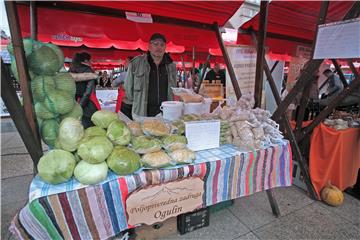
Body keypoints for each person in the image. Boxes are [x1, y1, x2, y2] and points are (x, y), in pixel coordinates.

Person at [124, 33, 177, 117]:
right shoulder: (136, 63)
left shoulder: (171, 66)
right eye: (155, 44)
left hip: (165, 112)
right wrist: (137, 102)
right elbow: (128, 90)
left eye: (162, 45)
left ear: (165, 47)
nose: (159, 47)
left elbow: (174, 89)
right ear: (149, 46)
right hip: (142, 112)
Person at [69, 52, 101, 128]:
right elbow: (88, 93)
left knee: (76, 125)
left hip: (72, 102)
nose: (91, 62)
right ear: (86, 60)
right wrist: (80, 106)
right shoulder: (88, 70)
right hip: (87, 103)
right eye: (90, 60)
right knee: (91, 126)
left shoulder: (71, 69)